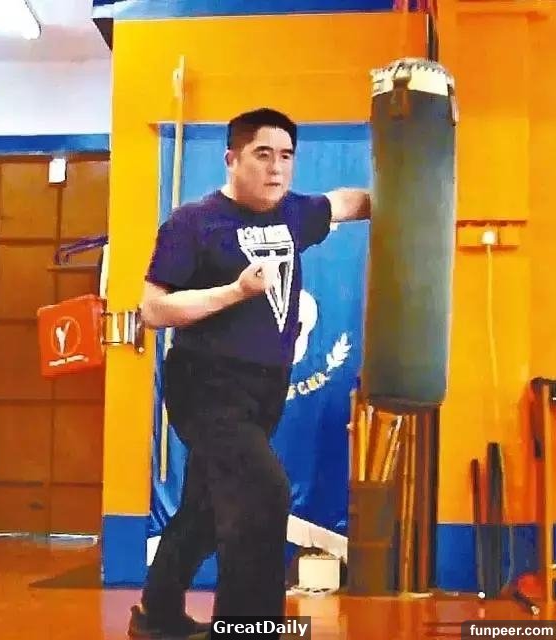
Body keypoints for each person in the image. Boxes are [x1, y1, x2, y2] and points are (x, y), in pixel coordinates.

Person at [128, 108, 371, 640]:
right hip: (206, 383)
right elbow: (154, 309)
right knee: (263, 495)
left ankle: (156, 615)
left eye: (286, 156)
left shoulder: (295, 213)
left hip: (264, 388)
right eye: (263, 154)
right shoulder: (193, 222)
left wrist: (407, 192)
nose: (276, 168)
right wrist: (234, 292)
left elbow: (346, 202)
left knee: (205, 508)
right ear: (232, 159)